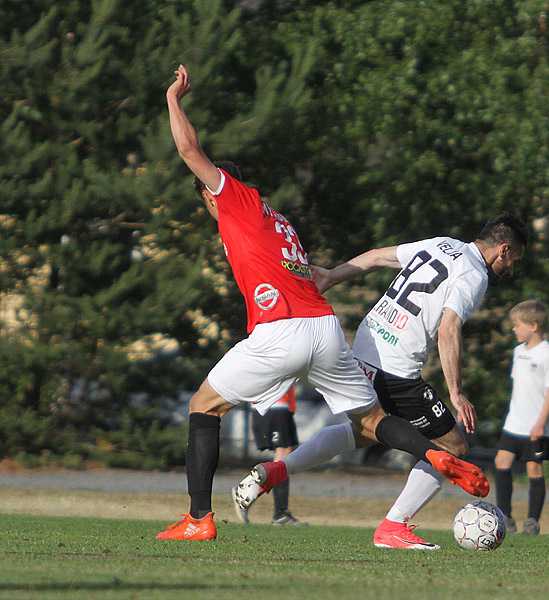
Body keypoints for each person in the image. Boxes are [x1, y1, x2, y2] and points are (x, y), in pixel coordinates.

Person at [157, 65, 488, 540]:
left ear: (216, 193)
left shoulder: (237, 200)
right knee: (372, 420)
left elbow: (188, 148)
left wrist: (174, 99)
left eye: (207, 196)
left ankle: (197, 520)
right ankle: (435, 453)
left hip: (281, 331)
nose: (209, 202)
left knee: (203, 407)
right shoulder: (278, 219)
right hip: (325, 329)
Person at [233, 213, 529, 550]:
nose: (511, 269)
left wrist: (332, 275)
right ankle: (393, 526)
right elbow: (449, 328)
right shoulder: (474, 273)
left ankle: (273, 472)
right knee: (454, 448)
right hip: (395, 367)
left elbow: (376, 256)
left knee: (364, 432)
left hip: (365, 343)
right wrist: (456, 393)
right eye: (514, 261)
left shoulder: (441, 245)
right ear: (502, 250)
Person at [493, 300, 549, 536]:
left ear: (533, 325)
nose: (513, 329)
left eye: (517, 325)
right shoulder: (518, 352)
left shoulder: (547, 353)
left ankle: (532, 521)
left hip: (537, 427)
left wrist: (541, 423)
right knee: (501, 462)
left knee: (534, 470)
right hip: (514, 424)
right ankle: (505, 517)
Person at [231, 387, 307, 526]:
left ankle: (278, 512)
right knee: (283, 458)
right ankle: (278, 513)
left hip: (284, 406)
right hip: (274, 404)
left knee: (289, 457)